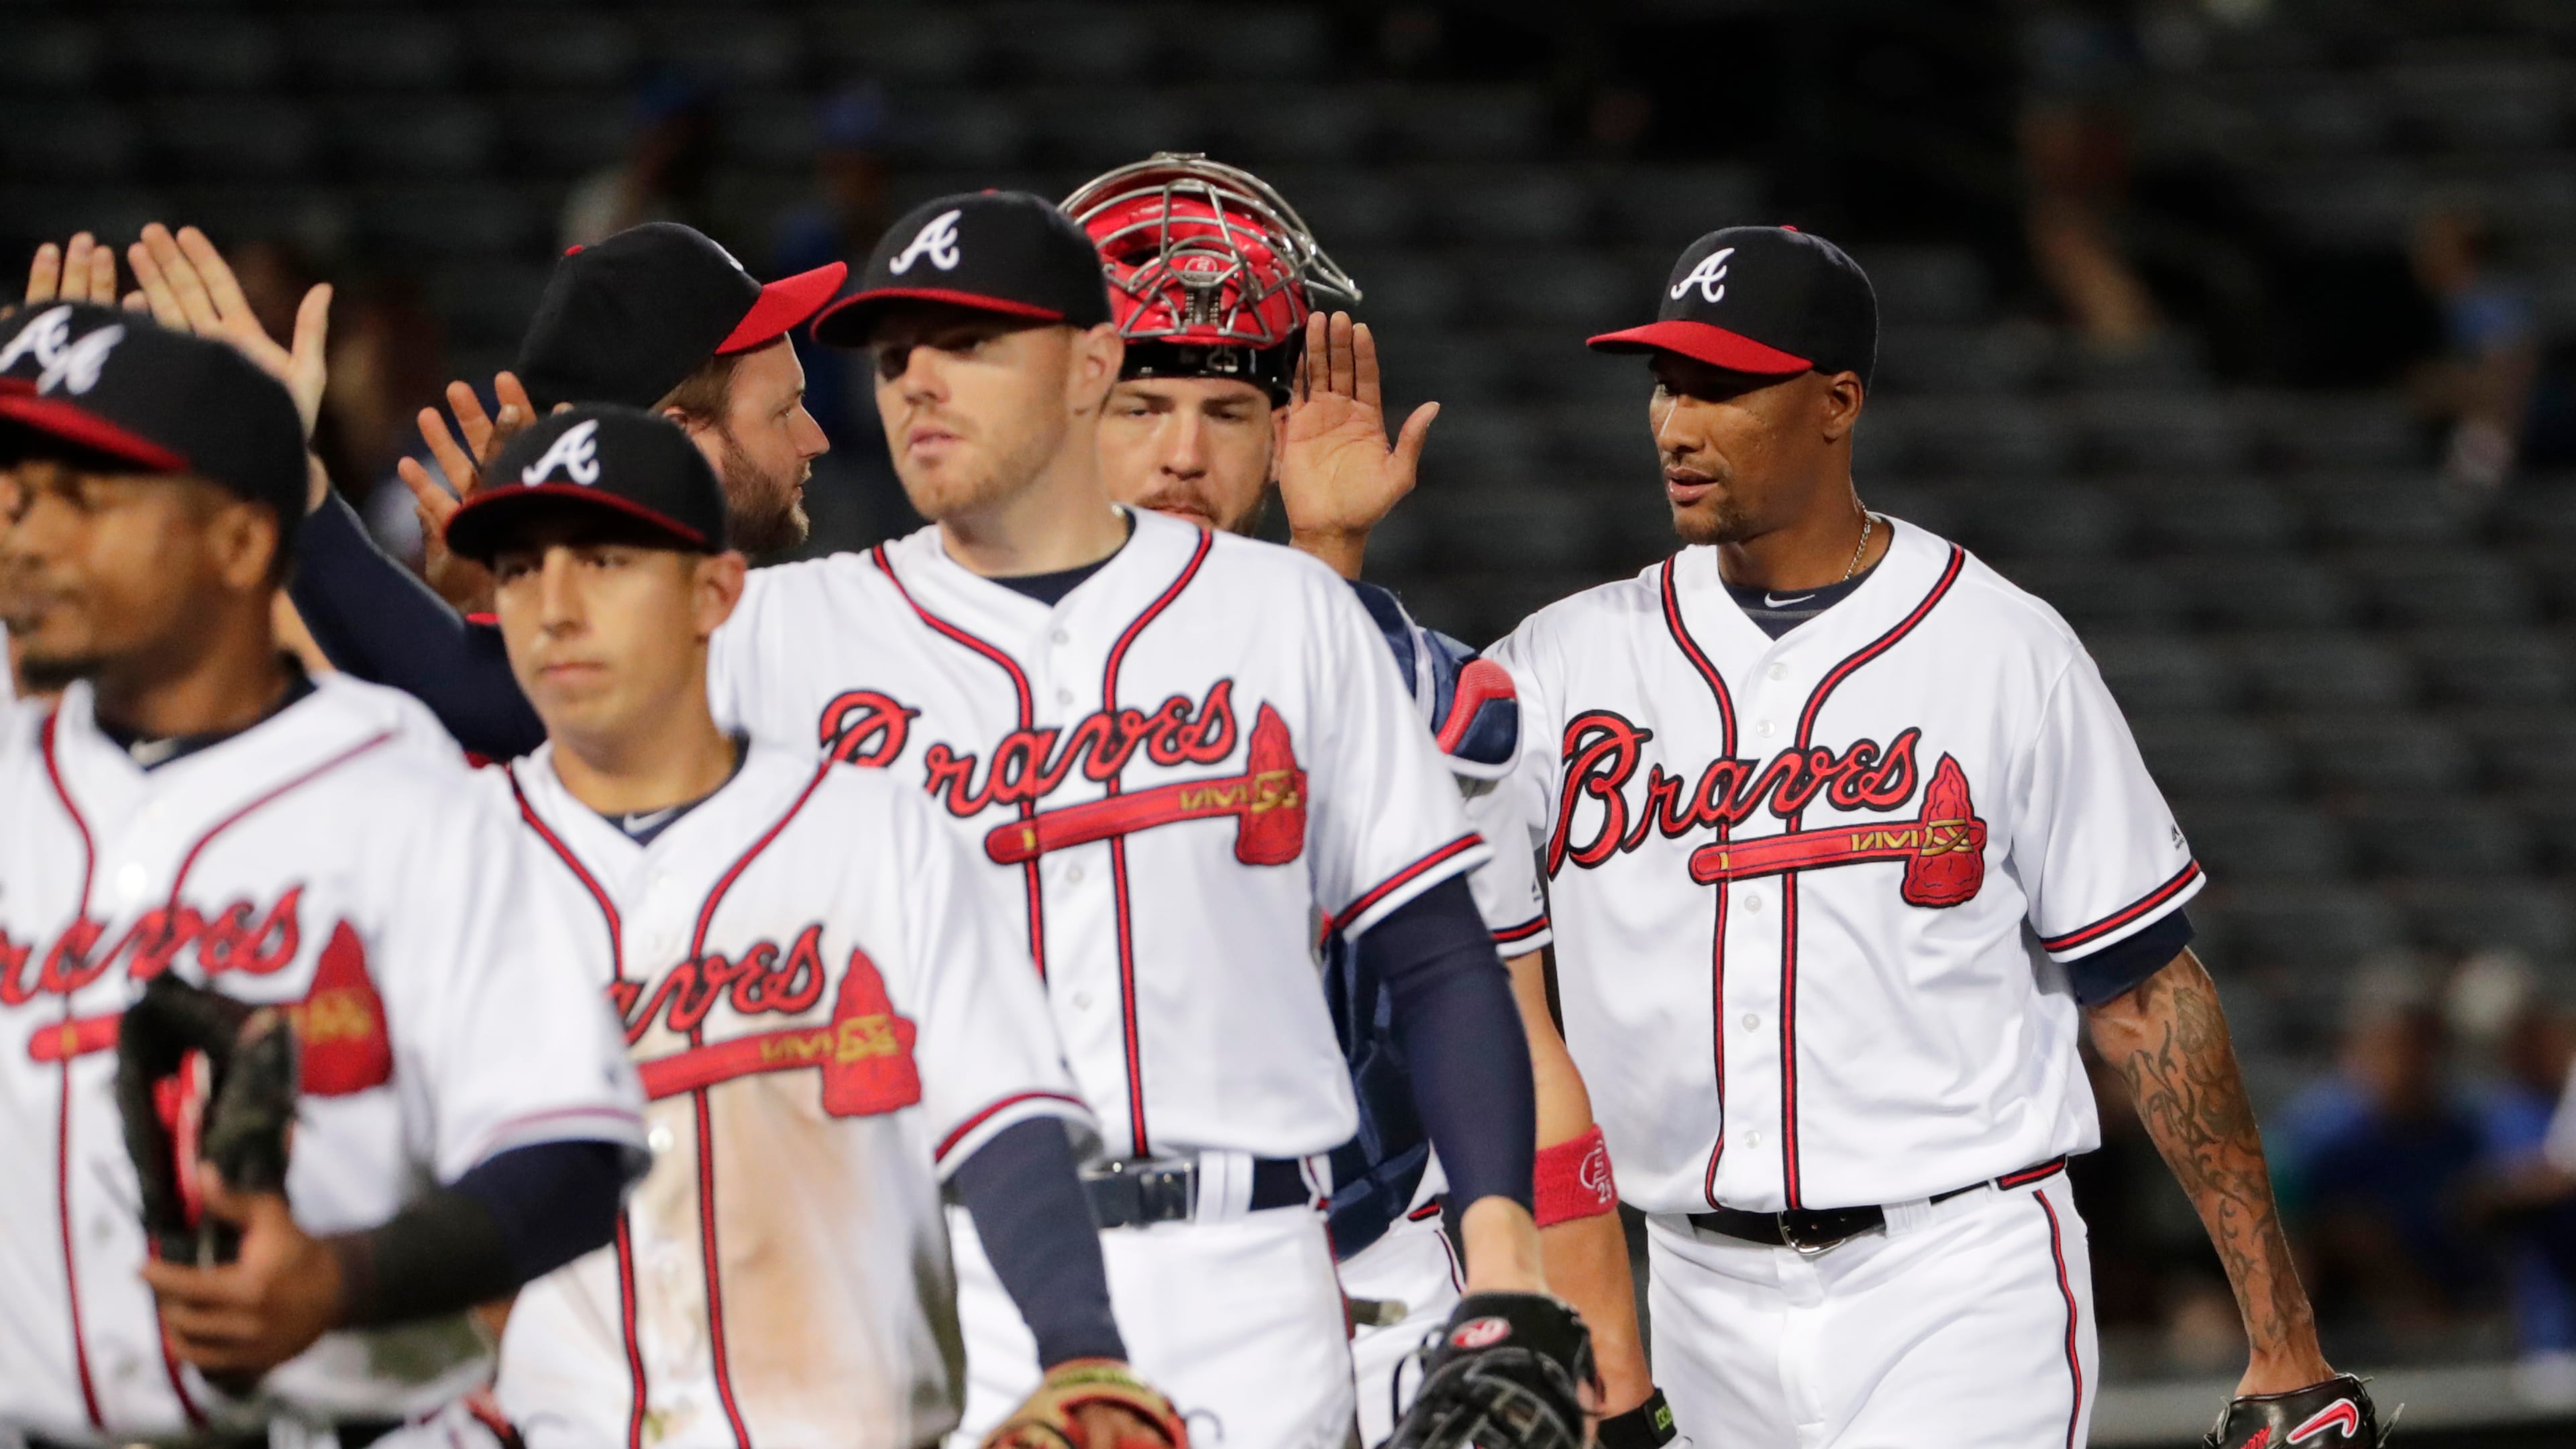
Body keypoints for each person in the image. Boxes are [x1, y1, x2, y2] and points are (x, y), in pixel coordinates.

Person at [280, 192, 1557, 1449]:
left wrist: (1502, 1249)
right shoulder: (801, 628)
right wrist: (287, 498)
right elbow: (467, 687)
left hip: (1257, 1270)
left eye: (969, 345)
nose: (919, 385)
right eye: (897, 355)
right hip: (954, 1279)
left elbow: (1439, 958)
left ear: (1089, 364)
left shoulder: (1289, 614)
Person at [1480, 225, 2353, 1446]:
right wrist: (1333, 548)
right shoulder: (1561, 664)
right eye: (1665, 383)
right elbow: (1384, 874)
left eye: (1724, 386)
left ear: (1838, 402)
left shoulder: (2001, 649)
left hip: (1960, 1275)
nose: (1677, 423)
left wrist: (2281, 1333)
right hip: (1685, 1286)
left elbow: (2150, 997)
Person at [1060, 152, 1659, 1445]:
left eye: (1228, 412)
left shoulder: (1430, 696)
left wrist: (1614, 1380)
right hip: (1062, 1290)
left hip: (1380, 1278)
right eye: (1140, 407)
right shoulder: (941, 696)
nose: (1181, 455)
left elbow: (1518, 1045)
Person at [436, 405, 1177, 1449]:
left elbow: (1006, 1118)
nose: (553, 609)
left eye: (603, 561)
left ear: (715, 592)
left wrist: (1083, 1352)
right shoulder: (442, 859)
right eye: (518, 570)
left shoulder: (873, 834)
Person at [0, 303, 646, 1445]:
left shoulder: (399, 794)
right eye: (20, 495)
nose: (29, 538)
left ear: (241, 545)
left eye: (85, 501)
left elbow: (571, 1157)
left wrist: (340, 1280)